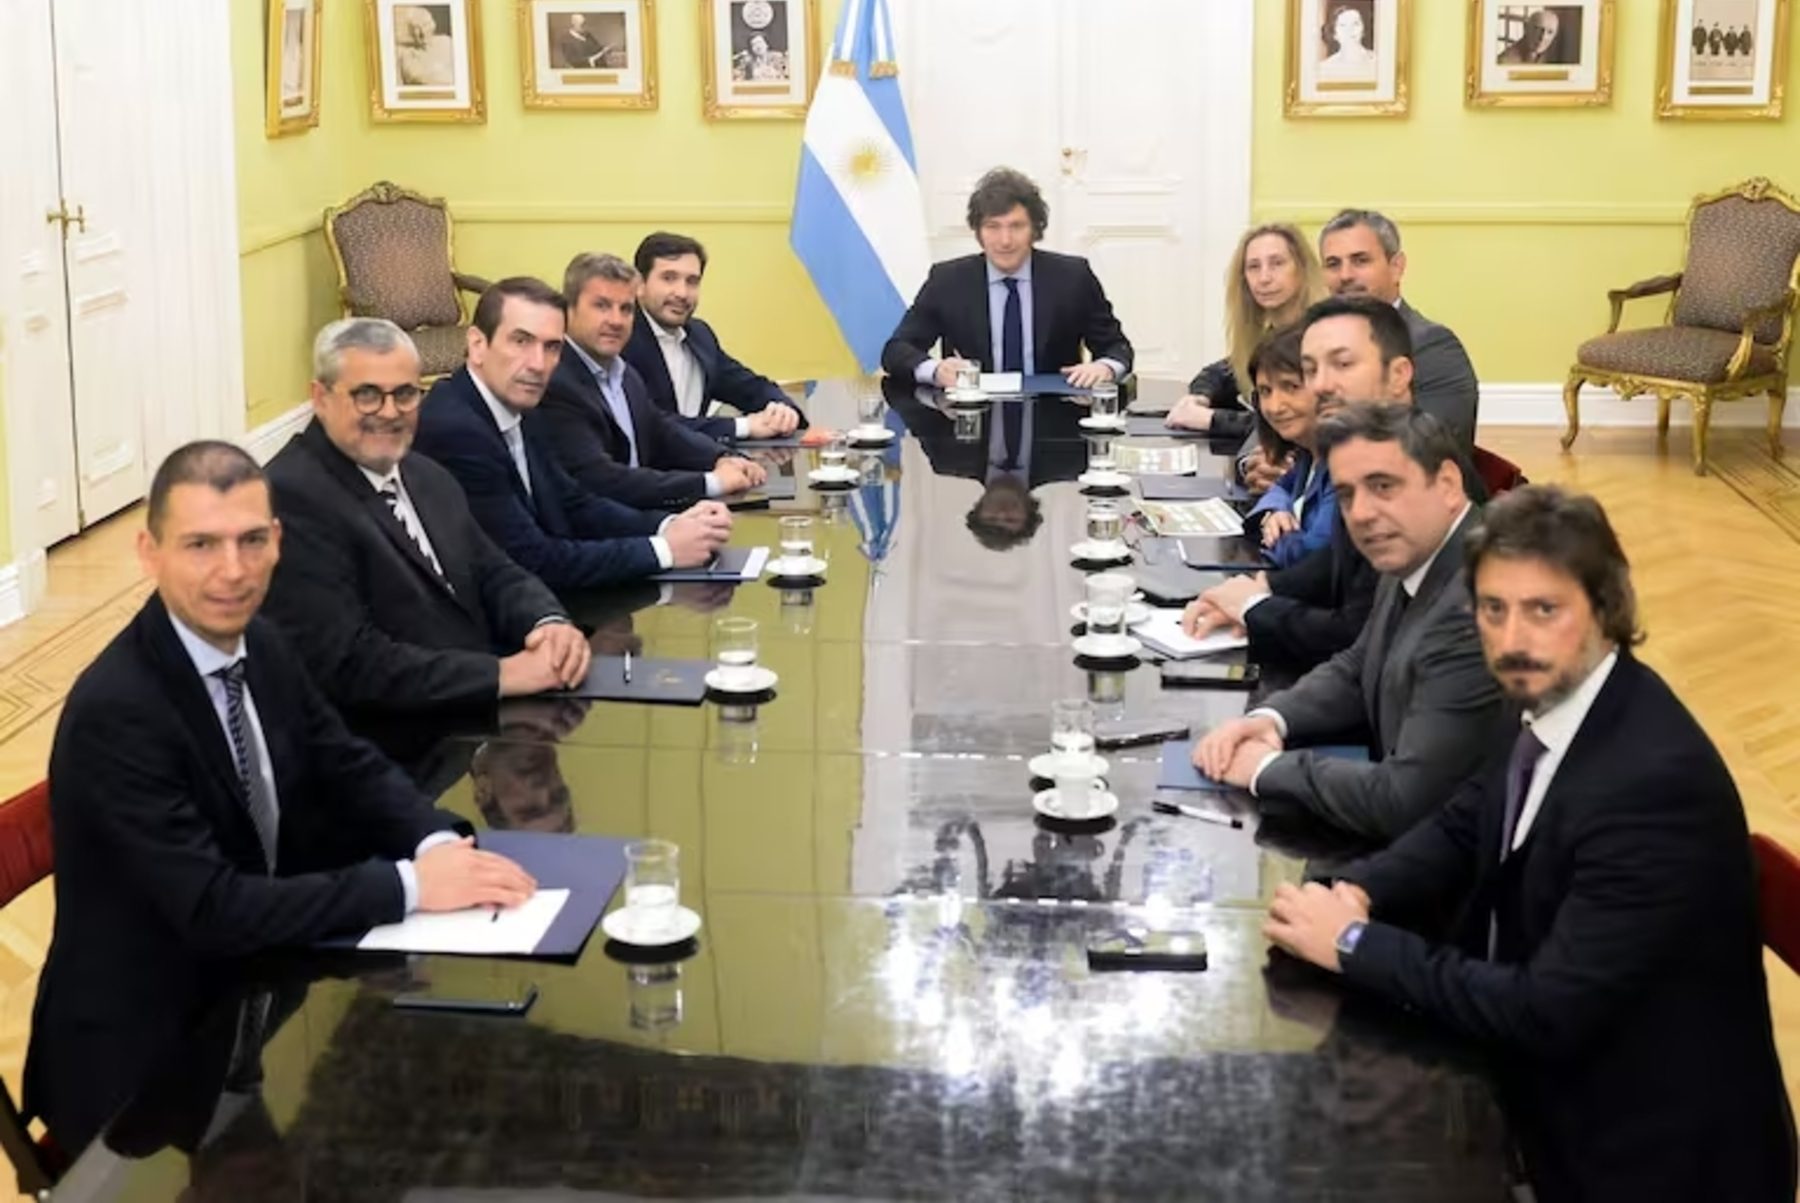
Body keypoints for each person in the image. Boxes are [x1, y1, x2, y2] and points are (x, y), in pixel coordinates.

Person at [1263, 485, 1797, 1202]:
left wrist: (1358, 944)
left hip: (1640, 1156)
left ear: (1608, 611)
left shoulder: (1653, 788)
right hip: (1551, 1082)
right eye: (1493, 610)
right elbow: (1466, 818)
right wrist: (1362, 887)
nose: (1513, 637)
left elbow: (1545, 1011)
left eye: (1544, 610)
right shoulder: (1558, 693)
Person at [25, 441, 539, 1152]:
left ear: (278, 543)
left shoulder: (260, 644)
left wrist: (436, 840)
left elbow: (349, 765)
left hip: (258, 989)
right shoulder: (119, 711)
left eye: (251, 541)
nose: (231, 570)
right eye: (201, 544)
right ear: (149, 552)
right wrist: (409, 884)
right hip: (151, 1057)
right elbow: (213, 908)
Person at [1193, 404, 1504, 842]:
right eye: (1346, 494)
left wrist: (1265, 768)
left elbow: (1404, 800)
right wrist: (1273, 718)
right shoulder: (1417, 548)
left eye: (1383, 486)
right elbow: (1360, 665)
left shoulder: (1480, 605)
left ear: (1449, 484)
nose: (1360, 514)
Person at [264, 318, 591, 716]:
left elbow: (494, 570)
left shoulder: (425, 474)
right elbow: (349, 663)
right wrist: (502, 674)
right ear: (320, 397)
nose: (389, 412)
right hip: (397, 741)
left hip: (475, 713)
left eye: (405, 394)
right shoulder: (289, 495)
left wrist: (547, 623)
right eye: (367, 395)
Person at [412, 277, 732, 593]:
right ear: (478, 345)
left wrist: (668, 525)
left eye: (551, 347)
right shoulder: (457, 429)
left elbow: (572, 502)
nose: (538, 364)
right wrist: (664, 550)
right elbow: (531, 561)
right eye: (521, 341)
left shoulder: (522, 405)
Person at [1186, 296, 1446, 671]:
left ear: (1399, 375)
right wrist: (1264, 590)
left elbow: (1356, 635)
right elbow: (1338, 563)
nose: (1321, 385)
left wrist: (1254, 607)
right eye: (1311, 369)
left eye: (1342, 364)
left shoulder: (1413, 470)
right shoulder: (1361, 451)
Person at [540, 252, 767, 510]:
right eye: (601, 306)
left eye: (625, 309)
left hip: (643, 516)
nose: (615, 320)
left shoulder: (623, 372)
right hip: (604, 530)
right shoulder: (556, 381)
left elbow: (660, 431)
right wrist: (709, 482)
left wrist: (722, 458)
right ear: (568, 309)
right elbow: (601, 479)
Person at [880, 167, 1133, 389]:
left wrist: (1105, 368)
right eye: (993, 227)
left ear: (1035, 228)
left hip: (1054, 422)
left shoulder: (1072, 277)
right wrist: (936, 371)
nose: (1005, 241)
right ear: (978, 231)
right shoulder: (947, 280)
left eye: (1016, 226)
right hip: (971, 427)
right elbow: (896, 351)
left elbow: (1116, 348)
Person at [1317, 209, 1480, 454]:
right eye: (1333, 264)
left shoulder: (1433, 346)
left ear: (1396, 267)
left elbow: (1431, 450)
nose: (1345, 275)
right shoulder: (1317, 343)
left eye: (1361, 260)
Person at [621, 232, 804, 440]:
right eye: (668, 278)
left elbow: (749, 386)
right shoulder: (620, 339)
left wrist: (782, 410)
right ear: (639, 285)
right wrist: (743, 426)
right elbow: (648, 423)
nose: (682, 293)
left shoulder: (699, 335)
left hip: (702, 463)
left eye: (692, 281)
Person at [1166, 223, 1327, 450]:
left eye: (1277, 263)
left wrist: (1212, 420)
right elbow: (1220, 373)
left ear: (1302, 269)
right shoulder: (1271, 336)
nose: (1264, 278)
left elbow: (1300, 423)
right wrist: (1199, 398)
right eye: (1253, 267)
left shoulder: (1323, 335)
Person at [1240, 326, 1335, 569]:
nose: (1274, 406)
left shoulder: (1343, 464)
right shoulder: (1307, 452)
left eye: (1291, 387)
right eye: (1265, 391)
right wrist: (1274, 512)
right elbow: (1280, 487)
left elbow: (1313, 558)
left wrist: (1279, 536)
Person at [1318, 5, 1377, 80]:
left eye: (1355, 24)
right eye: (1343, 25)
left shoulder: (1376, 62)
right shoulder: (1325, 67)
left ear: (1363, 29)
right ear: (1334, 34)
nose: (1349, 30)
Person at [1497, 8, 1563, 64]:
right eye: (1537, 29)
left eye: (1550, 32)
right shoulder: (1505, 61)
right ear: (1526, 28)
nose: (1543, 37)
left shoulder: (1550, 56)